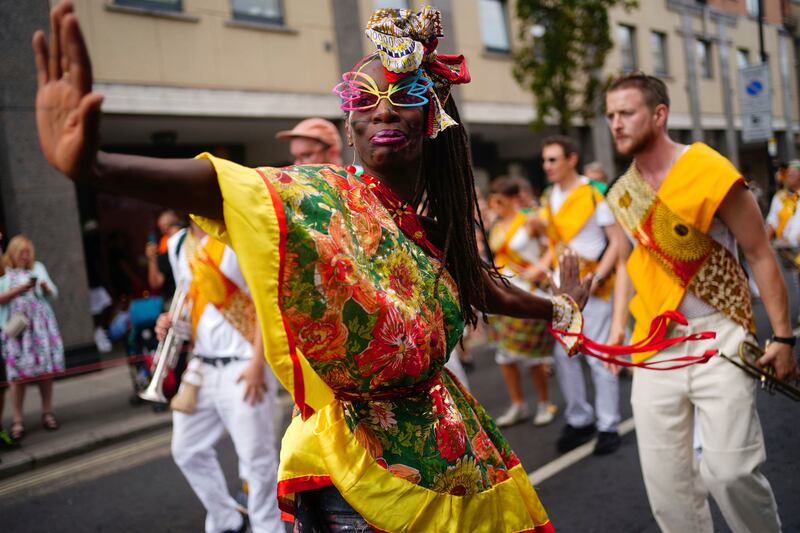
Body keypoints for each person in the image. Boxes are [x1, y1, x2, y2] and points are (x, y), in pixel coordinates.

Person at [33, 4, 596, 531]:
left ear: (433, 118)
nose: (381, 108)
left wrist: (561, 304)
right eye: (365, 96)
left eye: (404, 93)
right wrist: (97, 166)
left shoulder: (433, 227)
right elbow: (227, 186)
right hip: (356, 476)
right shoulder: (322, 197)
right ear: (350, 126)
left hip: (460, 454)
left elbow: (485, 288)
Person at [604, 72, 797, 533]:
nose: (616, 123)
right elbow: (635, 264)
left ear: (659, 114)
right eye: (610, 115)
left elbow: (759, 253)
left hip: (719, 336)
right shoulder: (625, 191)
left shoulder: (708, 168)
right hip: (654, 346)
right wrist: (614, 330)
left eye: (626, 113)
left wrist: (784, 337)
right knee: (669, 491)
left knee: (729, 473)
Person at [156, 220, 281, 533]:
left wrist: (257, 364)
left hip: (244, 365)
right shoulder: (178, 244)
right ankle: (226, 519)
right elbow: (188, 300)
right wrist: (169, 321)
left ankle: (268, 527)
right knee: (186, 449)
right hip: (201, 367)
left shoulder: (236, 234)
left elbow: (267, 302)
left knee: (257, 460)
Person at [539, 135, 625, 455]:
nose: (546, 166)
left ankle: (608, 424)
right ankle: (579, 418)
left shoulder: (593, 194)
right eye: (545, 160)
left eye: (552, 159)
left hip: (594, 288)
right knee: (565, 357)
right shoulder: (549, 198)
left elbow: (616, 242)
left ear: (571, 159)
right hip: (564, 292)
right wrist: (538, 273)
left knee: (600, 356)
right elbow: (553, 246)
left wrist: (598, 277)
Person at [486, 176, 557, 427]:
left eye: (500, 200)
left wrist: (540, 266)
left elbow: (554, 244)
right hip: (504, 294)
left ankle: (544, 402)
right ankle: (518, 404)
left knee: (534, 355)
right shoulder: (495, 226)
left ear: (513, 199)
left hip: (530, 294)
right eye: (493, 200)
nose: (496, 205)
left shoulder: (529, 221)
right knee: (505, 356)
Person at [0, 235, 65, 441]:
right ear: (14, 253)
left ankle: (47, 412)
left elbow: (53, 293)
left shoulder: (37, 268)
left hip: (40, 329)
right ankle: (18, 420)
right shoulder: (4, 273)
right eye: (22, 253)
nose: (25, 257)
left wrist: (44, 288)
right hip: (17, 330)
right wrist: (19, 289)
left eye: (28, 253)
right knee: (18, 376)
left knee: (45, 371)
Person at [145, 208, 183, 300]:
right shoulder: (193, 238)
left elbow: (156, 283)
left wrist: (151, 258)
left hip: (175, 300)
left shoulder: (166, 248)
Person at [275, 118, 343, 166]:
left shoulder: (353, 184)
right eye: (295, 158)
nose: (297, 164)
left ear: (332, 153)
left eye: (306, 155)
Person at [765, 158, 800, 241]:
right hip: (783, 249)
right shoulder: (779, 197)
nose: (789, 174)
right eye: (788, 173)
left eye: (794, 172)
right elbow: (772, 223)